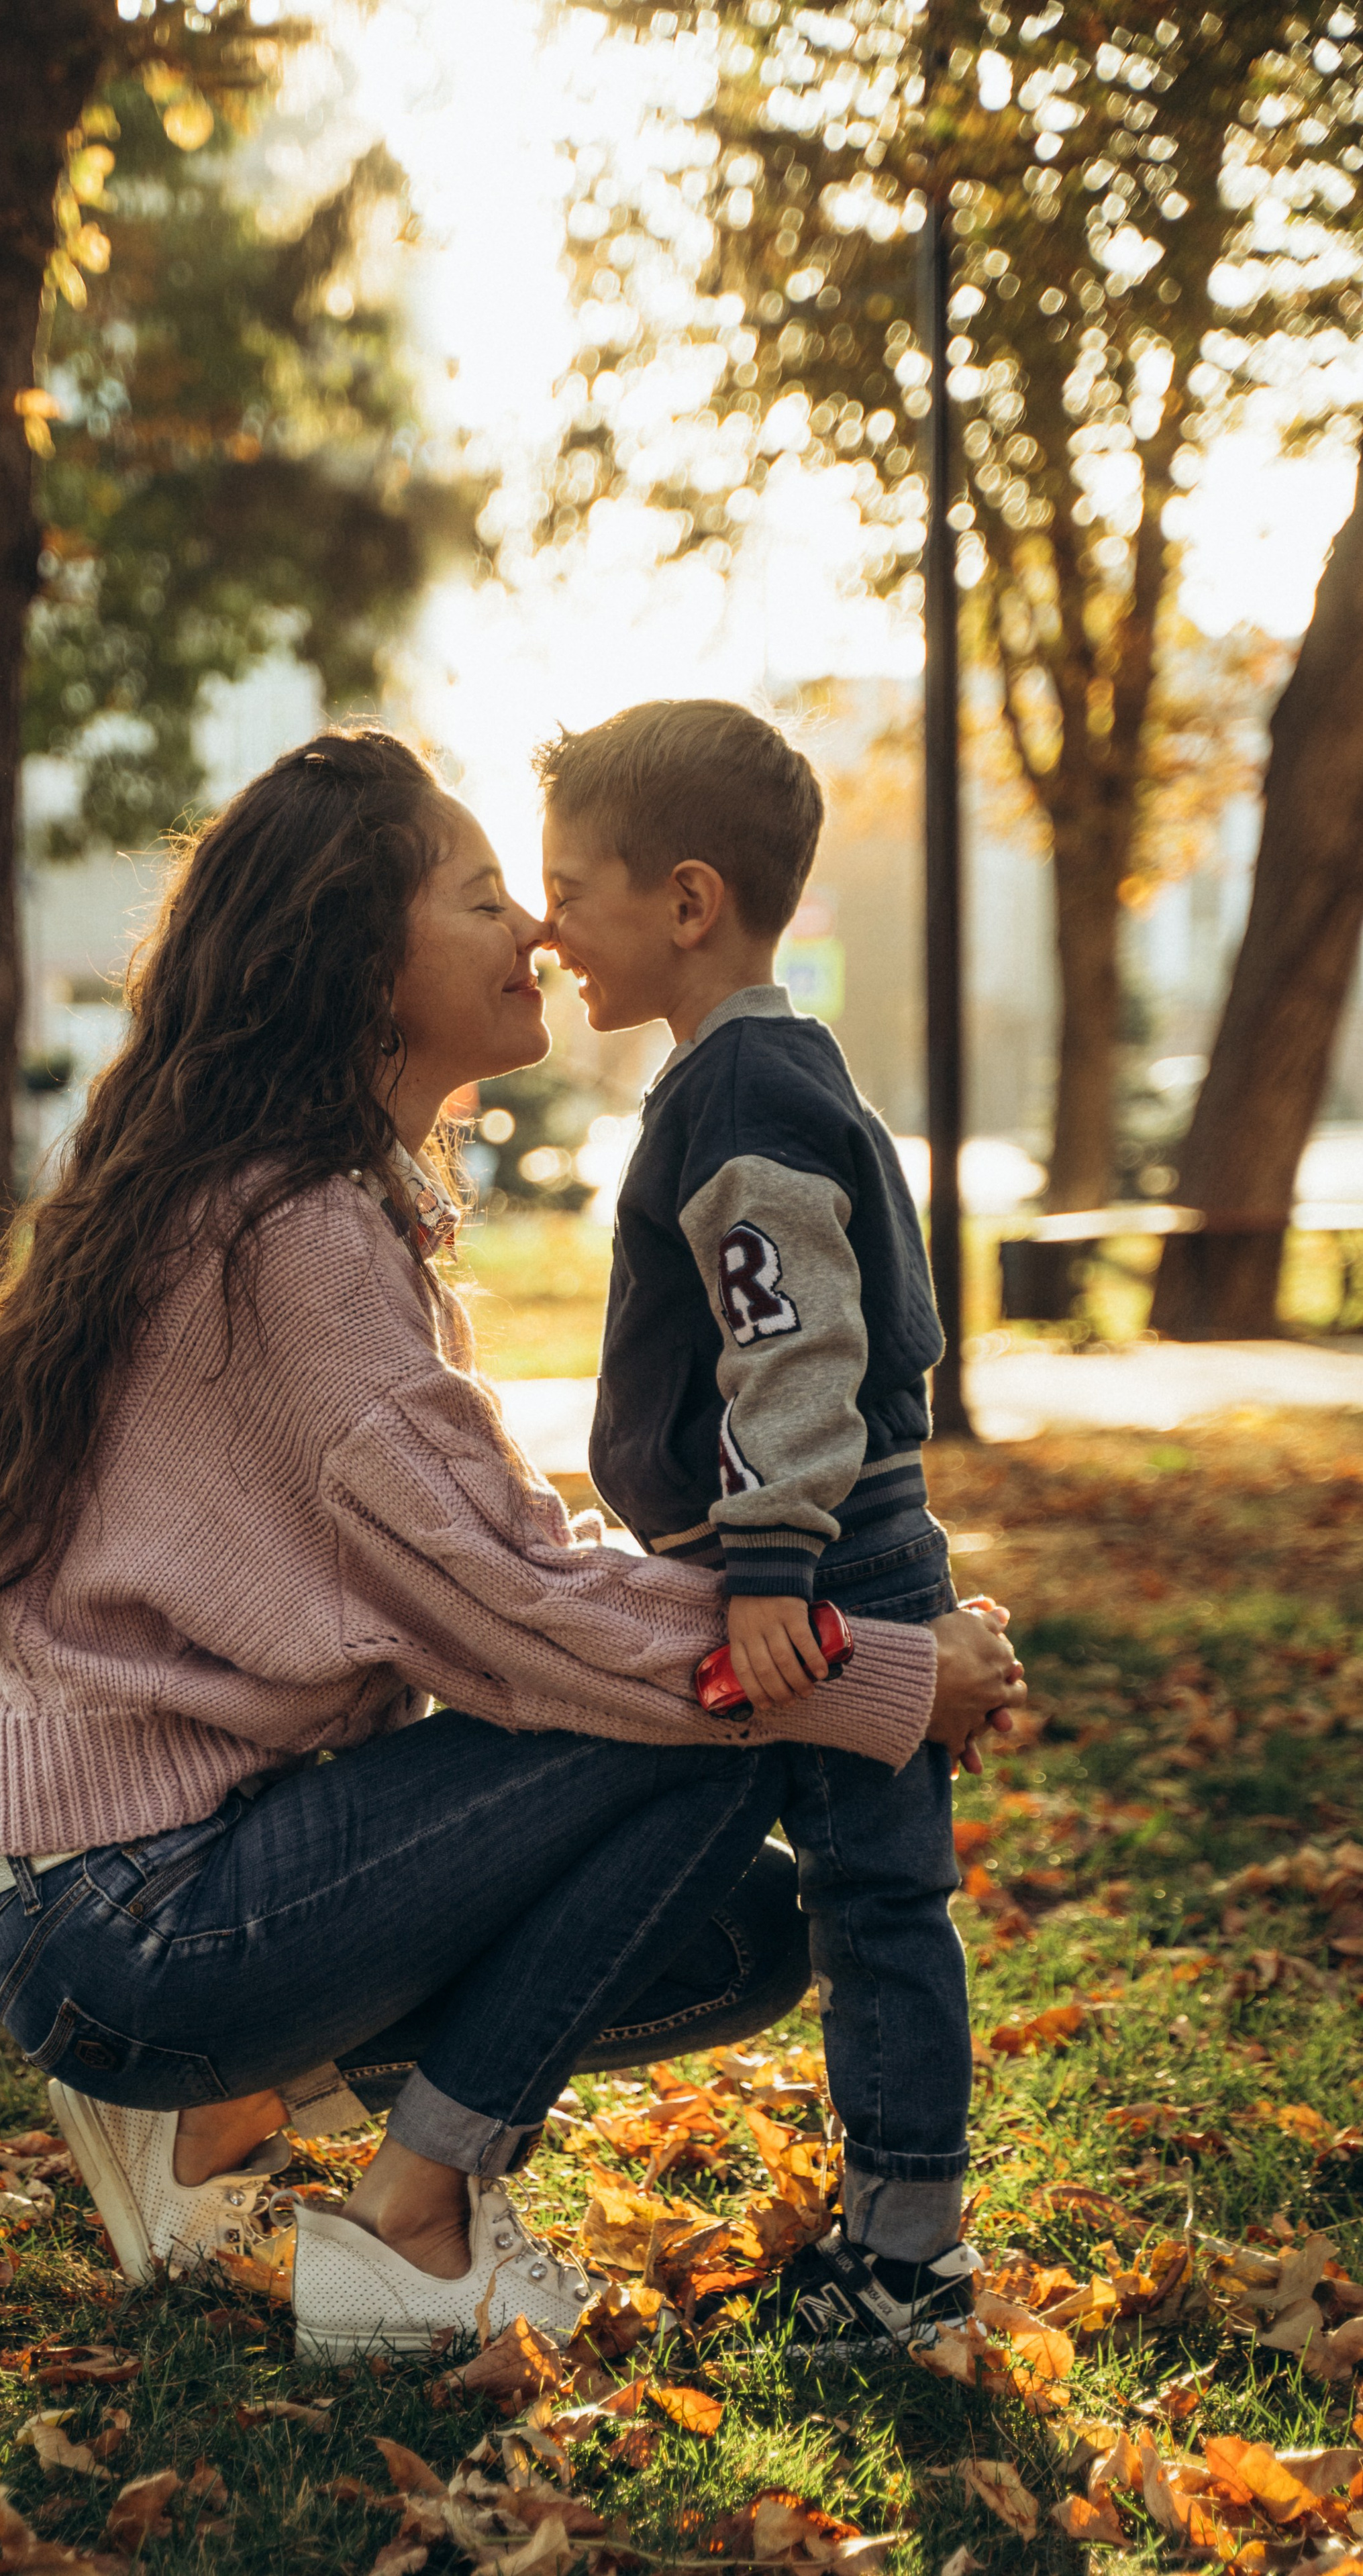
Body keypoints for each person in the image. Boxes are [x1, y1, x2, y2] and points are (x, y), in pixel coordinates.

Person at [0, 726, 1024, 2364]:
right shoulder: (297, 1241)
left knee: (745, 1933)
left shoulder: (285, 1199)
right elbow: (521, 1615)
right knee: (710, 1721)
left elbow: (490, 1565)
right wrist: (888, 1674)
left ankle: (212, 2117)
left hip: (122, 1900)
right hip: (139, 1925)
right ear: (365, 958)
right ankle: (410, 2220)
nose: (538, 933)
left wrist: (819, 1666)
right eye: (488, 898)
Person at [540, 699, 989, 2351]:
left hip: (814, 1556)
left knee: (875, 1898)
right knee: (847, 1888)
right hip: (810, 1545)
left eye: (568, 889)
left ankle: (907, 2265)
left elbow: (792, 1339)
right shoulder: (737, 1079)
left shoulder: (738, 1091)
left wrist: (776, 1567)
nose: (545, 927)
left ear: (684, 900)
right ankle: (894, 2240)